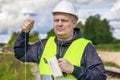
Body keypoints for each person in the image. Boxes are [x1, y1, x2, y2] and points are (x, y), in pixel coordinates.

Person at [14, 0, 106, 80]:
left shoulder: (85, 47)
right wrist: (24, 33)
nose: (59, 24)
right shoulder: (44, 44)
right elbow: (21, 54)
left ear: (74, 23)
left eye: (64, 20)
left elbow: (100, 77)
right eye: (56, 20)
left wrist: (74, 69)